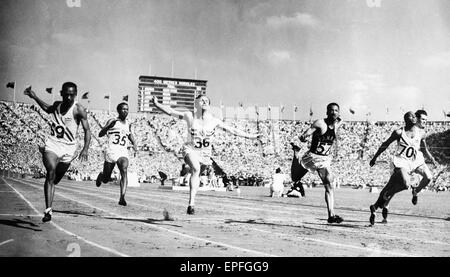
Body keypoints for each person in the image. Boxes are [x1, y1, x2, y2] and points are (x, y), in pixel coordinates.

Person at [151, 94, 261, 215]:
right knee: (196, 169)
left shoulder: (214, 121)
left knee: (196, 173)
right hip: (190, 149)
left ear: (209, 105)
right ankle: (191, 204)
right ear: (196, 103)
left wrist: (250, 136)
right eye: (201, 100)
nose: (203, 102)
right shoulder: (189, 116)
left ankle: (191, 189)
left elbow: (232, 130)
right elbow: (171, 111)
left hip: (204, 154)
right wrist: (157, 104)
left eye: (206, 100)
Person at [24, 82, 91, 222]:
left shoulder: (79, 110)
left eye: (71, 95)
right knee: (51, 172)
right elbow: (47, 108)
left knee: (55, 180)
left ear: (75, 94)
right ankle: (48, 210)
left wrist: (85, 148)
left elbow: (87, 130)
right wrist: (34, 97)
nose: (68, 97)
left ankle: (52, 179)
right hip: (53, 144)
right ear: (61, 93)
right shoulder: (57, 105)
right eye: (66, 94)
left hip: (69, 148)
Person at [287, 103, 344, 223]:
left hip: (324, 159)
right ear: (327, 112)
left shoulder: (337, 124)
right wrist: (304, 136)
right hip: (312, 157)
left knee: (329, 185)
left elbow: (340, 120)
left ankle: (331, 215)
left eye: (336, 110)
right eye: (331, 110)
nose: (334, 112)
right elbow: (309, 131)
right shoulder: (320, 123)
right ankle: (296, 153)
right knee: (294, 177)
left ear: (338, 113)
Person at [368, 111, 427, 225]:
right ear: (406, 120)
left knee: (390, 187)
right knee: (405, 184)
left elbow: (423, 146)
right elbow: (385, 144)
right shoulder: (399, 132)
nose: (414, 118)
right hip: (399, 162)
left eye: (415, 116)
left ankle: (374, 207)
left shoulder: (420, 133)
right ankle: (386, 199)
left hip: (411, 164)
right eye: (411, 116)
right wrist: (374, 158)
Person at [96, 102, 137, 206]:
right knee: (106, 179)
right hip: (111, 151)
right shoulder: (112, 121)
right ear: (118, 110)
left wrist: (134, 143)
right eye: (123, 109)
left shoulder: (128, 124)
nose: (125, 111)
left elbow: (129, 135)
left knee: (124, 169)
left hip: (122, 151)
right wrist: (108, 126)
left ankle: (122, 197)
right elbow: (100, 134)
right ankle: (101, 176)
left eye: (127, 109)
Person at [411, 110, 438, 205]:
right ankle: (386, 200)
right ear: (416, 119)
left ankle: (415, 192)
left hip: (418, 160)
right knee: (401, 184)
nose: (424, 121)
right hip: (407, 160)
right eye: (422, 119)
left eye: (426, 120)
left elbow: (424, 148)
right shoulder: (408, 129)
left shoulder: (422, 132)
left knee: (429, 178)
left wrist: (432, 158)